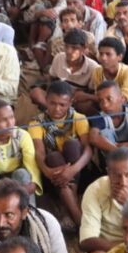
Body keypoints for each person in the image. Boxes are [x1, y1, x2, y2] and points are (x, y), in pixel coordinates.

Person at [29, 81, 92, 228]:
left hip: (79, 171)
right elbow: (39, 153)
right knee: (53, 156)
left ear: (70, 103)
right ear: (46, 100)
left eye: (62, 105)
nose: (57, 108)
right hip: (53, 174)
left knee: (72, 145)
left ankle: (69, 209)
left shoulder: (79, 118)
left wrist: (72, 170)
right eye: (52, 103)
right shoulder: (36, 122)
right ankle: (78, 217)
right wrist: (47, 171)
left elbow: (88, 150)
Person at [90, 37, 128, 102]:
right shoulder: (97, 71)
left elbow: (124, 97)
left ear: (119, 57)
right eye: (101, 54)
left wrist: (86, 96)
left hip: (126, 106)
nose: (103, 58)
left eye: (108, 54)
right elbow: (99, 95)